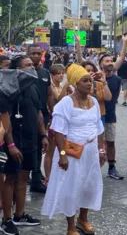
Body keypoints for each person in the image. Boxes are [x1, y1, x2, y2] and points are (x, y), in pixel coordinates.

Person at [41, 64, 105, 235]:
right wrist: (62, 155)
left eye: (90, 81)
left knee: (89, 186)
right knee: (71, 188)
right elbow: (59, 132)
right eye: (85, 81)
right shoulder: (65, 103)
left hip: (91, 152)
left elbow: (99, 127)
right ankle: (70, 227)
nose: (89, 84)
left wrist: (101, 150)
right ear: (75, 83)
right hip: (71, 153)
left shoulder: (94, 102)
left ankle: (83, 219)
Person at [1, 56, 48, 235]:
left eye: (33, 65)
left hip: (31, 138)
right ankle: (6, 220)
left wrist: (43, 135)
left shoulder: (34, 87)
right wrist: (11, 144)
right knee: (10, 178)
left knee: (23, 178)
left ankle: (19, 215)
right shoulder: (8, 88)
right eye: (27, 65)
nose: (33, 67)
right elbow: (5, 118)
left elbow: (39, 113)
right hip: (13, 139)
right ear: (17, 69)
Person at [28, 44, 55, 193]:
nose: (36, 56)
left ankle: (37, 180)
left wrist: (53, 112)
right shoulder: (23, 72)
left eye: (39, 53)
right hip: (26, 116)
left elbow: (49, 94)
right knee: (28, 147)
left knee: (40, 147)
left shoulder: (45, 73)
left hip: (42, 115)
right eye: (33, 53)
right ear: (28, 54)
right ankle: (25, 176)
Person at [99, 53, 123, 180]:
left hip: (110, 116)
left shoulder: (117, 80)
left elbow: (115, 97)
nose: (110, 62)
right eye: (106, 61)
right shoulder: (96, 78)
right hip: (96, 117)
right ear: (101, 64)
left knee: (110, 143)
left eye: (111, 60)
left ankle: (111, 168)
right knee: (95, 144)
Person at [43, 64, 65, 185]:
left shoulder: (61, 86)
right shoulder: (51, 87)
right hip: (52, 122)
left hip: (62, 123)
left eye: (62, 73)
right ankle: (48, 177)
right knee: (50, 151)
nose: (61, 75)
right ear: (52, 75)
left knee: (60, 150)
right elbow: (59, 100)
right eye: (58, 73)